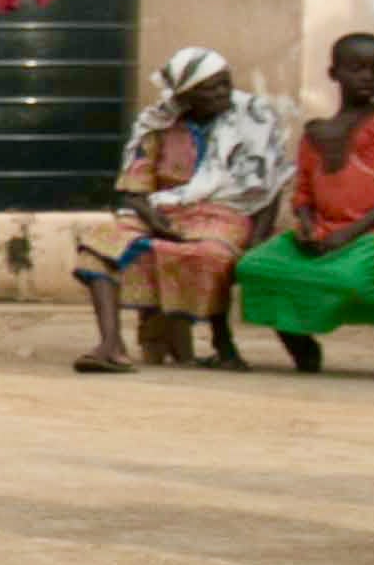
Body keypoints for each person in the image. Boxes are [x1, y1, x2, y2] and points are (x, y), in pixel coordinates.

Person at [73, 47, 287, 373]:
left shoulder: (254, 119)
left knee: (209, 255)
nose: (222, 93)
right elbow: (134, 190)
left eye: (225, 83)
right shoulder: (157, 124)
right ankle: (110, 345)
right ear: (186, 95)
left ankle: (222, 342)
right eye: (210, 88)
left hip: (224, 213)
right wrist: (154, 221)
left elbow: (269, 189)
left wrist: (257, 240)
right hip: (164, 212)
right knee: (97, 246)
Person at [232, 33, 374, 373]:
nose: (367, 76)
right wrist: (305, 225)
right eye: (356, 68)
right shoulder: (318, 132)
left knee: (349, 281)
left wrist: (351, 233)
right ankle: (299, 341)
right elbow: (303, 193)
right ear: (334, 74)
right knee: (253, 267)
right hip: (323, 232)